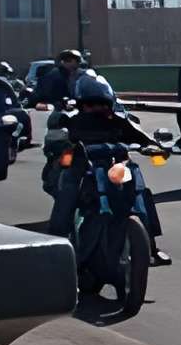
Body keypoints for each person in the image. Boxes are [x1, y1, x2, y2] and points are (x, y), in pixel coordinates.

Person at [43, 73, 173, 263]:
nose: (97, 108)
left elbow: (142, 138)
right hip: (84, 170)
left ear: (109, 103)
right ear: (81, 104)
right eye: (90, 104)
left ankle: (150, 246)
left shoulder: (119, 121)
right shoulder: (71, 121)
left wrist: (157, 147)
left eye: (102, 104)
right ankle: (56, 247)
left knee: (141, 192)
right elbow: (57, 145)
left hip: (115, 169)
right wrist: (62, 148)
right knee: (68, 192)